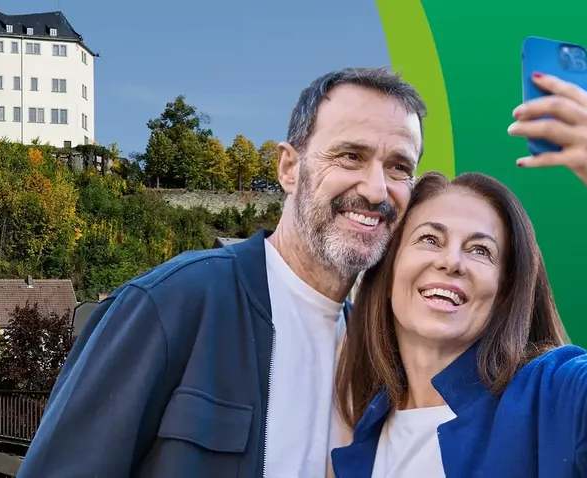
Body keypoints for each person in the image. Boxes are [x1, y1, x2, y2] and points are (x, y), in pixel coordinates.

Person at [22, 67, 428, 478]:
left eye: (398, 167)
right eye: (350, 156)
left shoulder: (376, 355)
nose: (377, 189)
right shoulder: (173, 303)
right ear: (289, 168)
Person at [328, 75, 587, 478]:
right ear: (390, 266)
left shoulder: (549, 397)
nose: (452, 261)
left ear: (506, 290)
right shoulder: (361, 429)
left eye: (481, 250)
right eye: (429, 239)